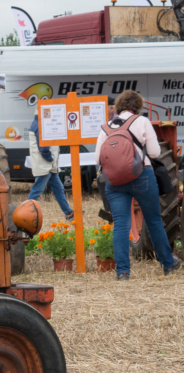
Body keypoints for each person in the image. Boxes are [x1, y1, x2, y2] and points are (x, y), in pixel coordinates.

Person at [95, 90, 181, 280]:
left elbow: (97, 158)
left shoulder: (106, 127)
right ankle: (168, 264)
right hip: (142, 177)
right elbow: (155, 152)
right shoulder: (141, 122)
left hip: (115, 182)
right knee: (154, 221)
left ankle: (123, 272)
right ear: (138, 106)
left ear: (119, 106)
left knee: (120, 226)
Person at [27, 115, 74, 222]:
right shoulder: (41, 125)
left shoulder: (38, 123)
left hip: (47, 164)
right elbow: (43, 148)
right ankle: (24, 214)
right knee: (37, 190)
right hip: (46, 164)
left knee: (58, 188)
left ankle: (68, 212)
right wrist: (50, 159)